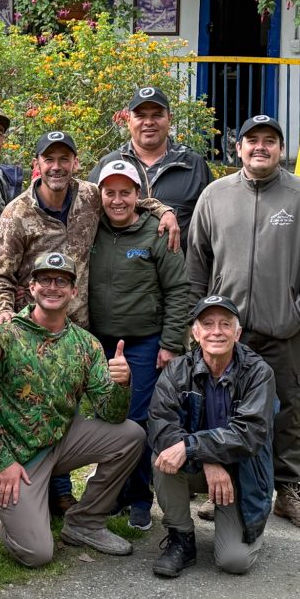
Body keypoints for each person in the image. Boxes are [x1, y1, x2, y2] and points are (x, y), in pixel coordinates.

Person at [0, 130, 180, 514]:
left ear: (76, 163)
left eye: (65, 159)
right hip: (32, 332)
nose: (57, 167)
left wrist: (165, 211)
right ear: (37, 165)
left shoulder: (90, 196)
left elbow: (129, 198)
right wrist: (4, 315)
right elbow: (1, 276)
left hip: (79, 331)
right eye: (49, 159)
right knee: (34, 409)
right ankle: (16, 485)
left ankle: (63, 492)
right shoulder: (17, 213)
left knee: (68, 408)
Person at [187, 114, 300, 530]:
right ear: (238, 148)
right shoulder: (214, 196)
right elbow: (196, 262)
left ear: (281, 149)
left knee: (288, 407)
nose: (260, 147)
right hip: (226, 334)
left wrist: (299, 310)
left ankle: (287, 489)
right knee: (223, 409)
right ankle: (226, 488)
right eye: (252, 140)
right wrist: (200, 322)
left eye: (270, 140)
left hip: (285, 330)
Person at [0, 252, 144, 567]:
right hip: (14, 456)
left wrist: (122, 384)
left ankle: (85, 523)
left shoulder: (86, 344)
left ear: (74, 291)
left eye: (62, 281)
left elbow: (112, 415)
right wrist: (2, 462)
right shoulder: (4, 337)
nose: (53, 287)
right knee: (36, 553)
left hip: (58, 443)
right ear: (31, 288)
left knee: (131, 435)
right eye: (45, 280)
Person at [88, 160, 189, 531]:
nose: (117, 200)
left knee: (137, 419)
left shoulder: (157, 232)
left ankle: (139, 497)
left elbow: (178, 289)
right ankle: (110, 492)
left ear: (138, 195)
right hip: (98, 342)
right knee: (105, 417)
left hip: (144, 343)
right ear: (100, 195)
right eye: (110, 192)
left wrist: (171, 342)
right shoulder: (90, 228)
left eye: (125, 192)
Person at [147, 295, 276, 577]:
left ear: (237, 334)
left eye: (225, 324)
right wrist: (207, 459)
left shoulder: (258, 373)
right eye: (207, 324)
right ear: (195, 333)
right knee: (163, 455)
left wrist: (194, 446)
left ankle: (240, 523)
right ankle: (181, 538)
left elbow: (250, 433)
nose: (216, 331)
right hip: (198, 465)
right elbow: (161, 425)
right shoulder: (177, 370)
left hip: (241, 472)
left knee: (234, 561)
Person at [88, 86, 212, 250]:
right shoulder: (109, 165)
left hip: (178, 264)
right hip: (119, 263)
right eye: (140, 116)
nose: (148, 122)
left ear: (169, 118)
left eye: (157, 115)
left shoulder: (193, 165)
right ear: (128, 120)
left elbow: (212, 224)